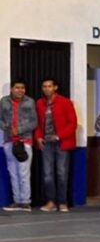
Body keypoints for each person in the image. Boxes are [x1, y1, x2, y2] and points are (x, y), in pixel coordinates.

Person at [34, 79, 78, 213]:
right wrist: (38, 137)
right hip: (46, 143)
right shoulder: (40, 103)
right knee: (47, 174)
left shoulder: (65, 102)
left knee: (62, 173)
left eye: (49, 86)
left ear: (55, 87)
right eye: (44, 86)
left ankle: (63, 202)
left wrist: (59, 136)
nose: (47, 89)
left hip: (61, 143)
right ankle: (51, 201)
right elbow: (37, 123)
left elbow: (73, 123)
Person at [0, 81, 38, 212]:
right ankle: (17, 201)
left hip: (25, 141)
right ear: (11, 89)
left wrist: (19, 129)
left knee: (23, 172)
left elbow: (34, 122)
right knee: (13, 173)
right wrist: (7, 128)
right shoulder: (3, 101)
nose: (20, 90)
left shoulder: (30, 102)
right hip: (9, 141)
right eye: (17, 88)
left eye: (22, 88)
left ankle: (25, 202)